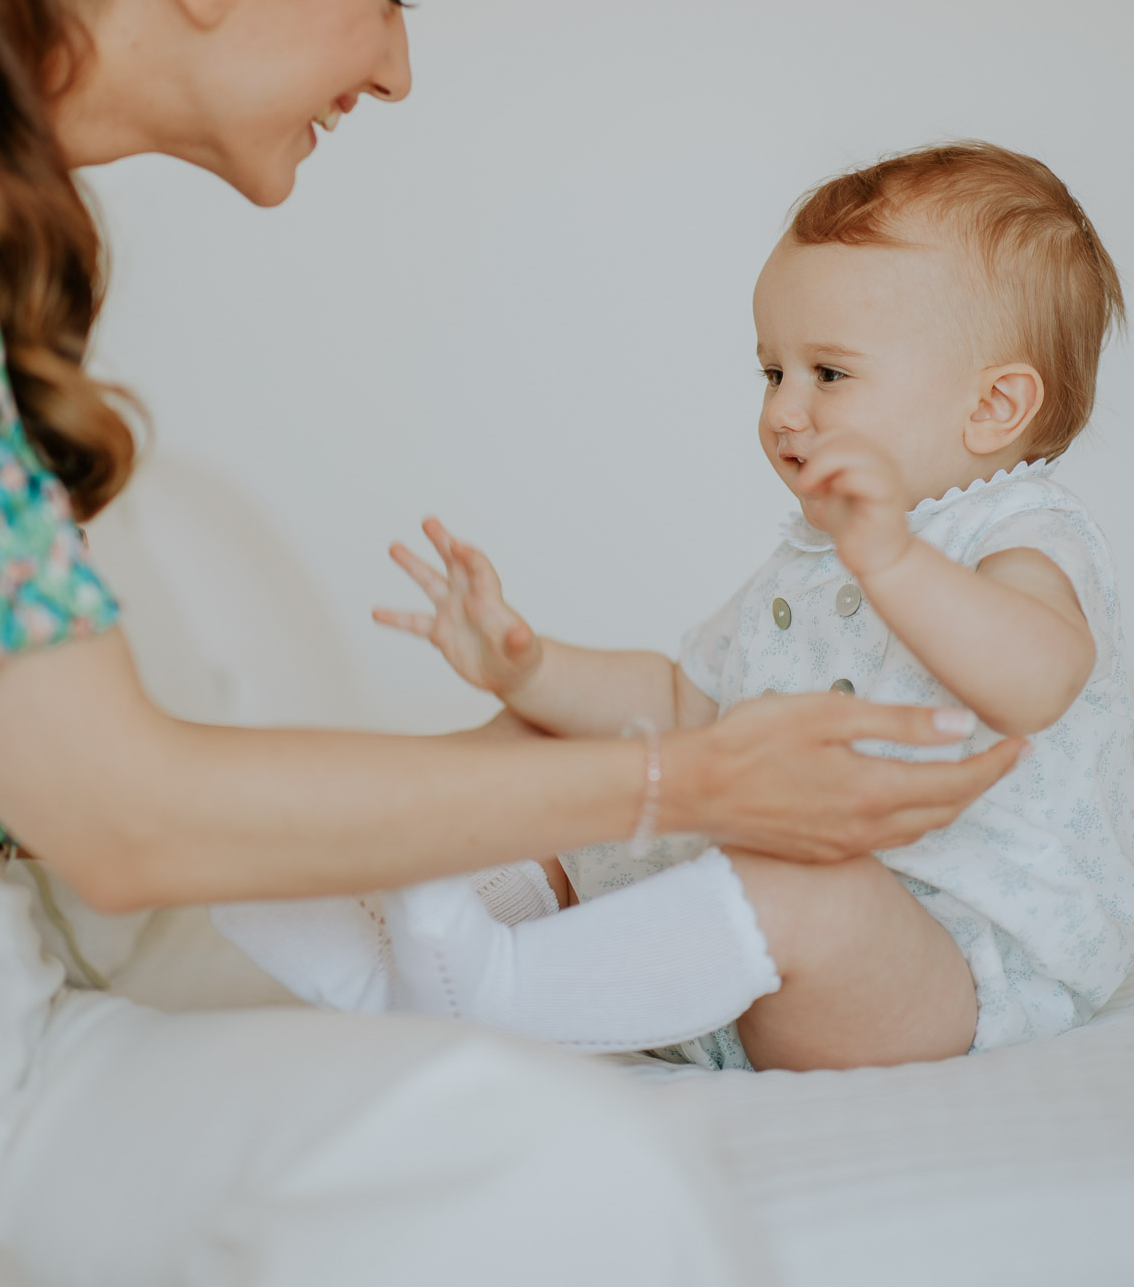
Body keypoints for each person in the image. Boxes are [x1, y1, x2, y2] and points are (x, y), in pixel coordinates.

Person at [0, 0, 1023, 1287]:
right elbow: (124, 814)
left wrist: (513, 757)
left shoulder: (3, 247)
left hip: (29, 1018)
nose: (394, 65)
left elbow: (61, 768)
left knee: (547, 1178)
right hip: (4, 1032)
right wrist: (679, 784)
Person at [313, 144, 1130, 1073]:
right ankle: (390, 924)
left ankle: (507, 992)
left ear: (993, 406)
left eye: (828, 374)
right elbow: (682, 706)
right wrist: (529, 666)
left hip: (942, 969)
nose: (784, 411)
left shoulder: (1019, 532)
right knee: (555, 765)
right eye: (770, 373)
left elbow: (1036, 680)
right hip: (736, 943)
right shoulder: (819, 552)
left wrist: (891, 558)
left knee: (800, 891)